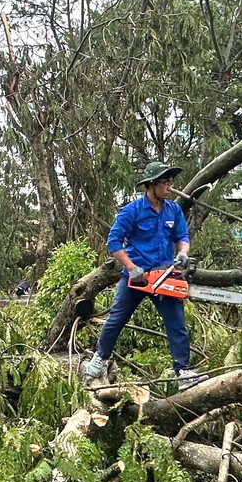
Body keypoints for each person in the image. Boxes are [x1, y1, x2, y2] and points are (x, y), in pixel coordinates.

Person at [82, 162, 204, 390]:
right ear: (151, 185)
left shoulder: (173, 210)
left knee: (176, 324)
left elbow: (182, 237)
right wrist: (130, 267)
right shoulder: (132, 211)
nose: (170, 187)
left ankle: (183, 372)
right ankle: (100, 358)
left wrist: (183, 253)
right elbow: (114, 242)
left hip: (164, 274)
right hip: (137, 276)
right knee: (117, 317)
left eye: (171, 183)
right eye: (165, 183)